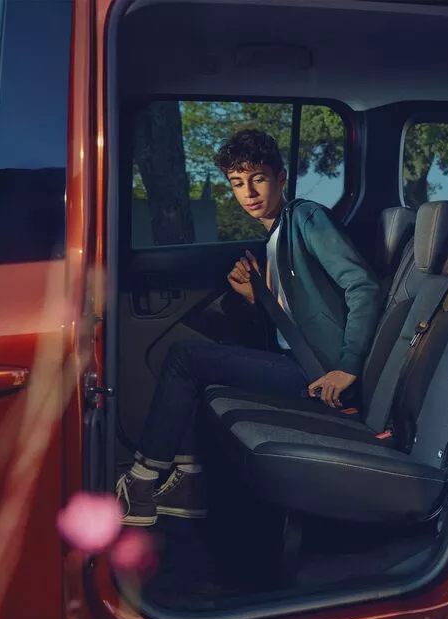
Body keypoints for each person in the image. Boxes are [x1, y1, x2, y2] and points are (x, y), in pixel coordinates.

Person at [115, 128, 380, 527]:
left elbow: (363, 286)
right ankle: (188, 483)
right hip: (297, 363)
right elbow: (291, 325)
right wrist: (257, 299)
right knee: (199, 365)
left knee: (185, 357)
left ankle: (141, 482)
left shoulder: (306, 218)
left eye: (258, 179)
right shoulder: (273, 241)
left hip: (320, 375)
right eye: (238, 183)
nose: (249, 192)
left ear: (281, 178)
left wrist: (348, 365)